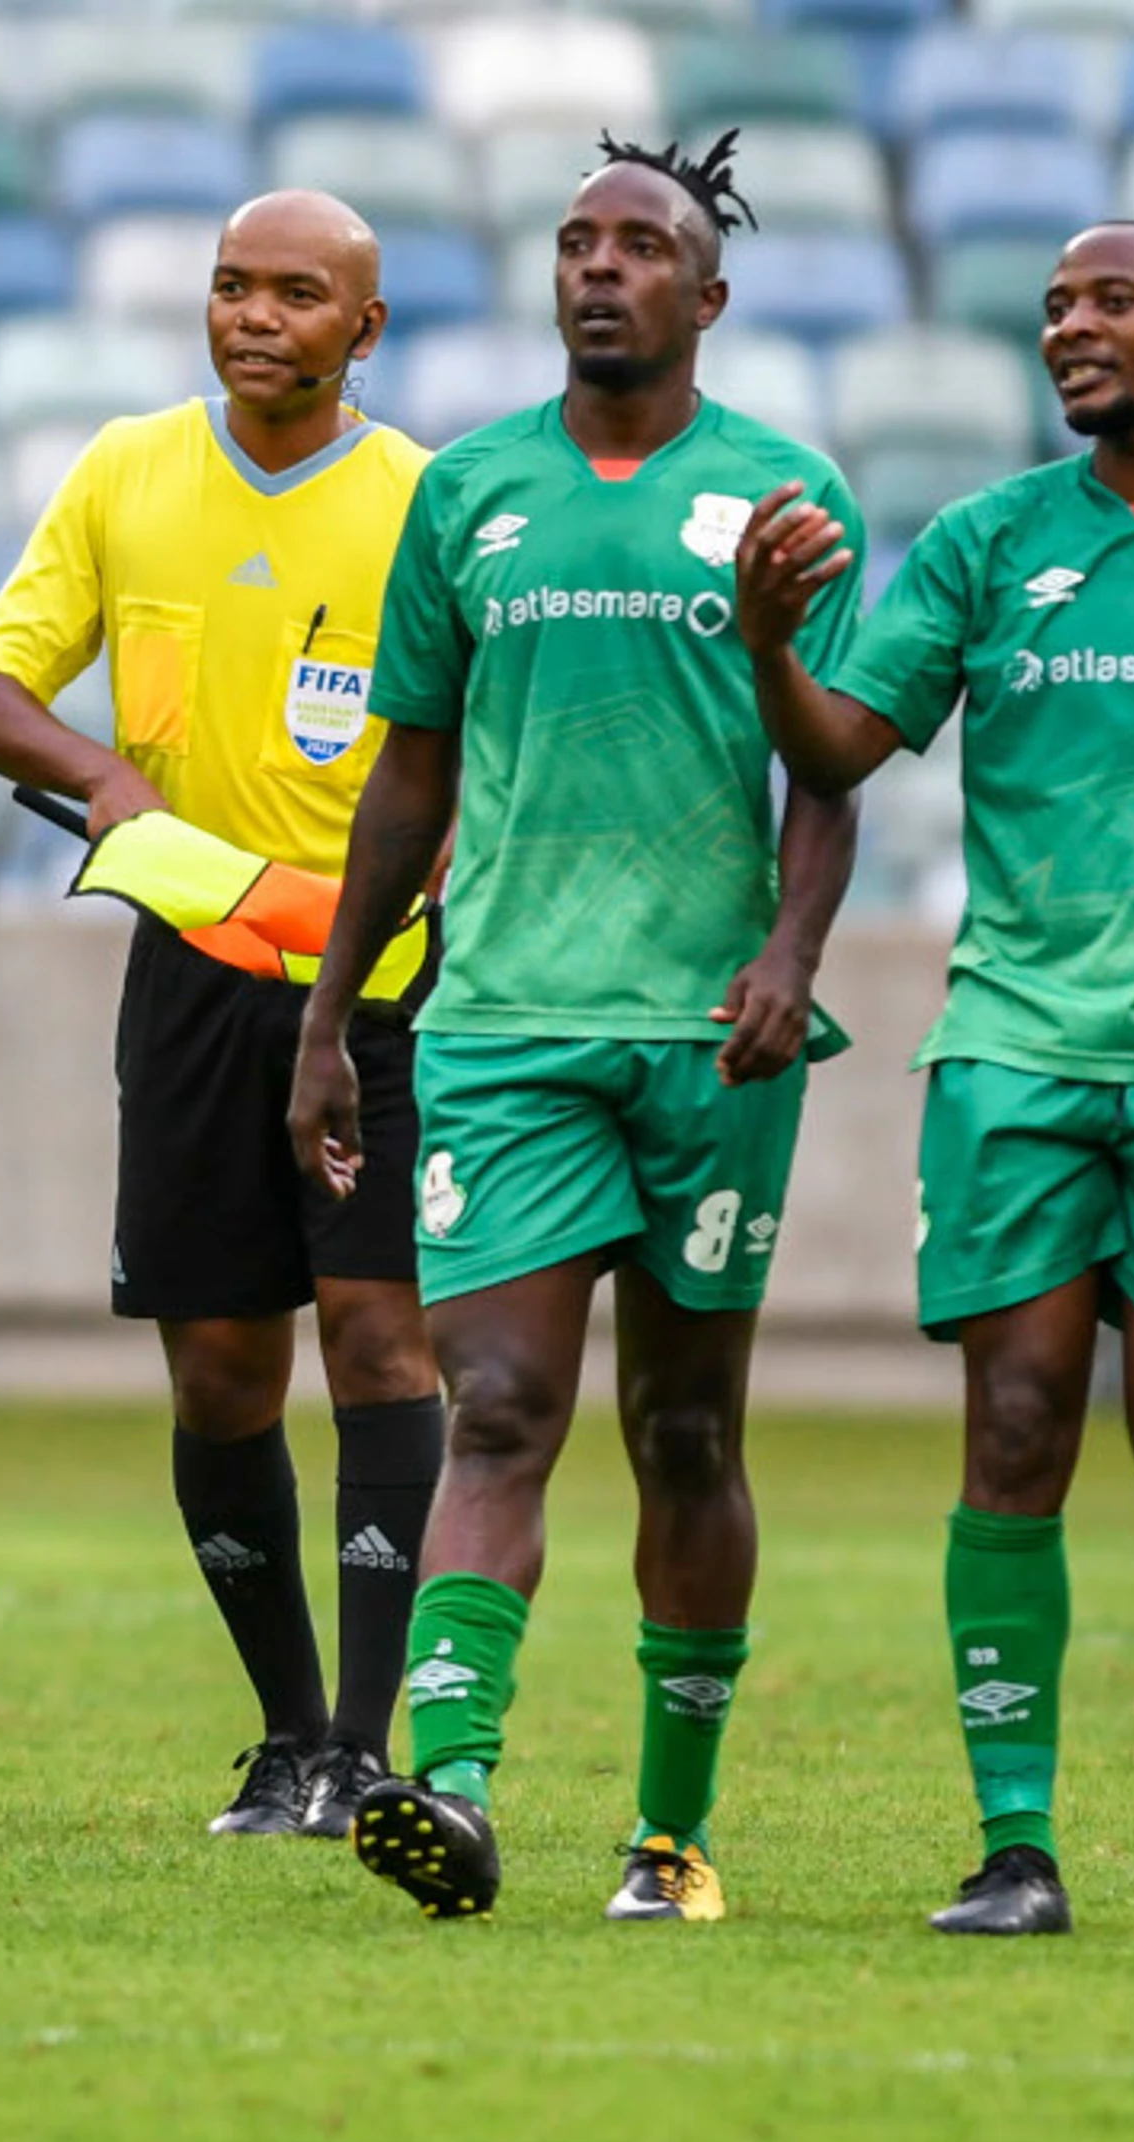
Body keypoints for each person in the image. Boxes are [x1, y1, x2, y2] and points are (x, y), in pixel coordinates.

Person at [730, 221, 1134, 1938]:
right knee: (1016, 1427)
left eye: (1111, 301)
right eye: (1052, 309)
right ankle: (1016, 1848)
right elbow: (840, 750)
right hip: (1012, 1046)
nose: (1070, 329)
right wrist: (772, 647)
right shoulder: (987, 540)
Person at [287, 133, 865, 1924]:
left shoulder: (783, 493)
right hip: (505, 1024)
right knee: (500, 1407)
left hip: (712, 1034)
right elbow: (410, 774)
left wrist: (792, 953)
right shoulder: (469, 492)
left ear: (710, 292)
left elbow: (830, 766)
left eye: (641, 245)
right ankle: (449, 1788)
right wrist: (333, 1015)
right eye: (575, 242)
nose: (600, 267)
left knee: (685, 1433)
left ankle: (670, 1839)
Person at [0, 191, 444, 1840]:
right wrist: (99, 773)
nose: (256, 316)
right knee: (223, 1371)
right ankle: (288, 1734)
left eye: (298, 293)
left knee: (377, 1337)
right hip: (191, 973)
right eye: (234, 286)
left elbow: (478, 739)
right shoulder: (125, 471)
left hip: (382, 981)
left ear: (364, 328)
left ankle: (365, 1746)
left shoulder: (425, 502)